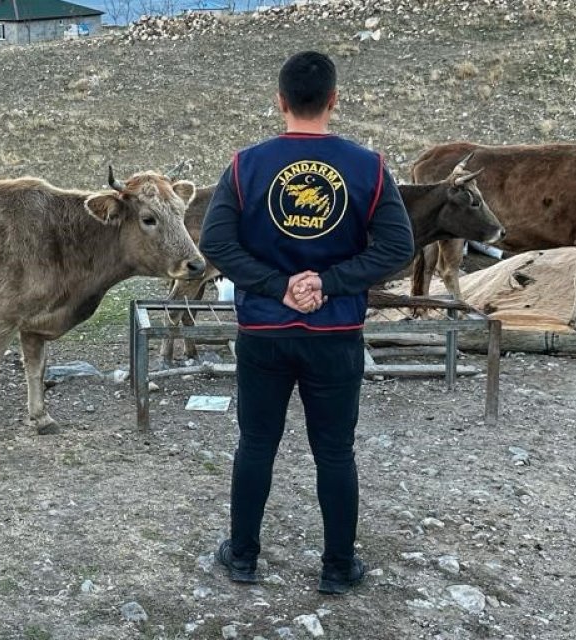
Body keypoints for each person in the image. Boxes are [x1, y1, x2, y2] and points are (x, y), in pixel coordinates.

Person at [200, 51, 414, 595]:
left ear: (280, 101)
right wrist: (330, 283)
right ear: (334, 100)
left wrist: (277, 287)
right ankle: (338, 568)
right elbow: (398, 245)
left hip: (264, 334)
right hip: (335, 335)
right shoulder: (369, 166)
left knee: (256, 443)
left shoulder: (246, 166)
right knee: (335, 451)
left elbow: (216, 242)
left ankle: (243, 557)